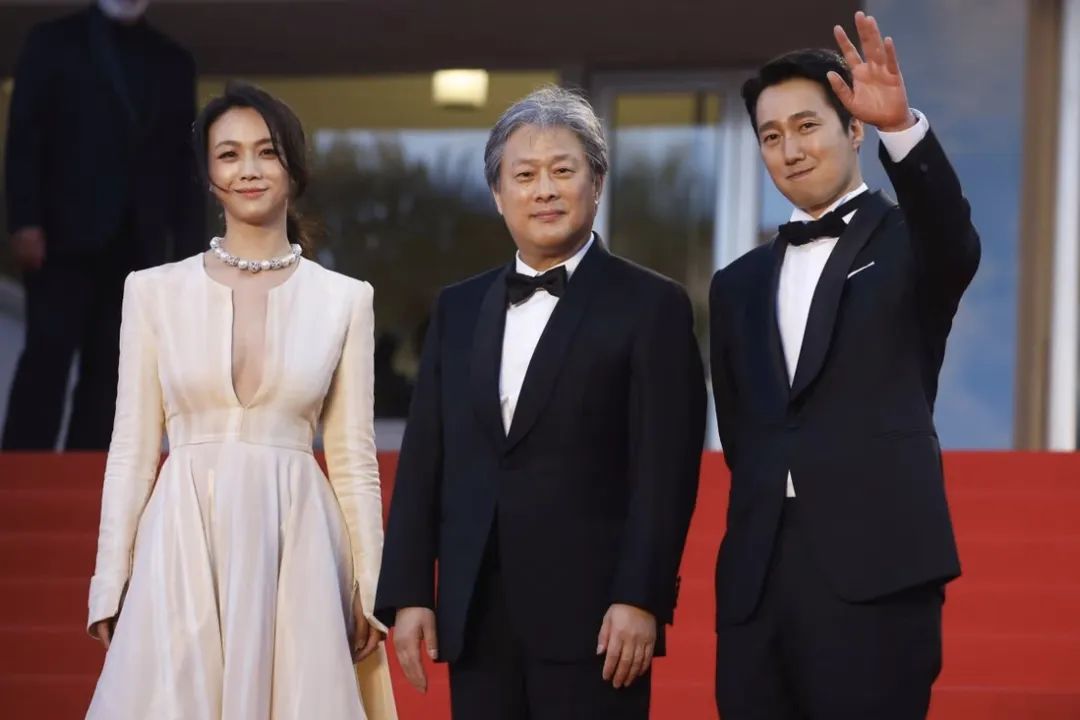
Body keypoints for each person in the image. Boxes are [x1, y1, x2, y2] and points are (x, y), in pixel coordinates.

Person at [375, 86, 707, 719]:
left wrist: (641, 597)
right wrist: (411, 591)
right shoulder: (457, 308)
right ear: (498, 194)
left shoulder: (652, 306)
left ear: (597, 182)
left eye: (563, 170)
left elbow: (665, 472)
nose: (544, 190)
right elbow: (425, 460)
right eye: (524, 175)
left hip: (596, 622)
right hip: (476, 615)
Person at [84, 81, 396, 719]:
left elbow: (354, 460)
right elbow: (132, 450)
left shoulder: (345, 299)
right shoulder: (152, 292)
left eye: (267, 151)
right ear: (208, 176)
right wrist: (110, 579)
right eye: (229, 154)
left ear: (294, 168)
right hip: (181, 536)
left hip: (298, 539)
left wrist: (372, 586)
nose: (248, 169)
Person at [709, 12, 980, 719]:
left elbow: (953, 236)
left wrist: (902, 129)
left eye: (807, 126)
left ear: (853, 130)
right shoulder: (735, 284)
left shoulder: (911, 243)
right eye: (771, 136)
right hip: (758, 580)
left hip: (878, 566)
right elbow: (743, 434)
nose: (790, 149)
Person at [3, 0, 204, 450]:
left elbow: (184, 167)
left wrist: (189, 257)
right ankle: (20, 472)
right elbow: (24, 138)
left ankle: (90, 472)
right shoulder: (52, 43)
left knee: (113, 369)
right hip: (60, 238)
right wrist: (25, 221)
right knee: (47, 358)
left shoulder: (173, 60)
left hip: (138, 242)